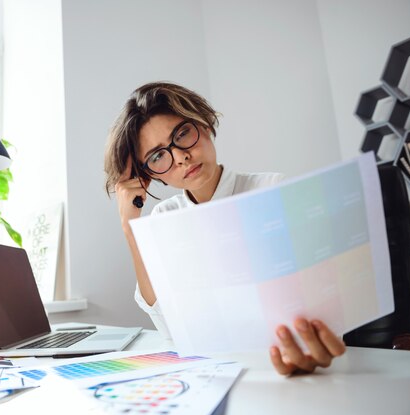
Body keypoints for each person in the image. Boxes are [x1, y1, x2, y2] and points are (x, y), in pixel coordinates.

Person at [104, 81, 346, 375]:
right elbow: (171, 329)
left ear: (204, 124)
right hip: (211, 372)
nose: (180, 157)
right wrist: (131, 228)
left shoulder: (273, 190)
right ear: (150, 175)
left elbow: (322, 307)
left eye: (182, 134)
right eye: (157, 156)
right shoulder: (164, 218)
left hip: (284, 366)